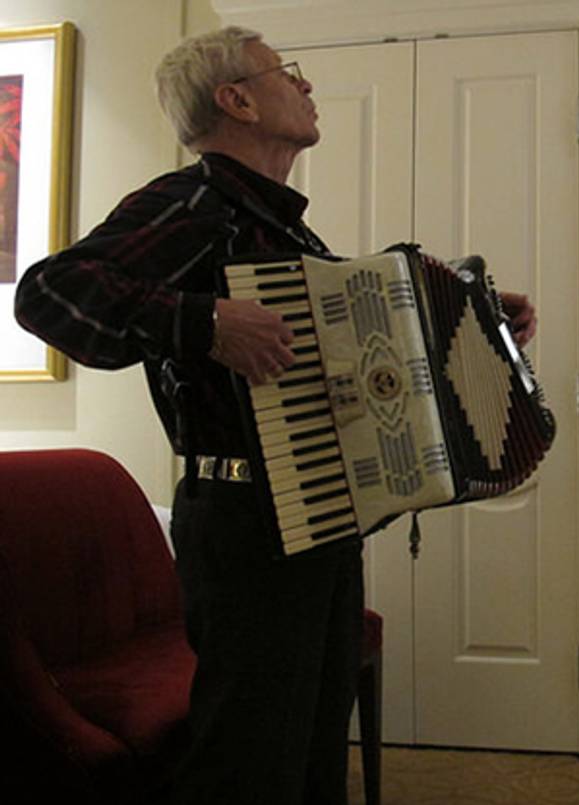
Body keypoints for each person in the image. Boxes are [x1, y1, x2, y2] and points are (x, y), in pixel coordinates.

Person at [15, 26, 535, 805]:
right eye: (287, 73)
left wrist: (473, 316)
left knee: (311, 751)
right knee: (249, 761)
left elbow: (353, 356)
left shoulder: (284, 230)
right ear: (236, 99)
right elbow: (48, 293)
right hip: (243, 522)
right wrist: (206, 323)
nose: (308, 86)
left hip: (315, 513)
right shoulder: (194, 200)